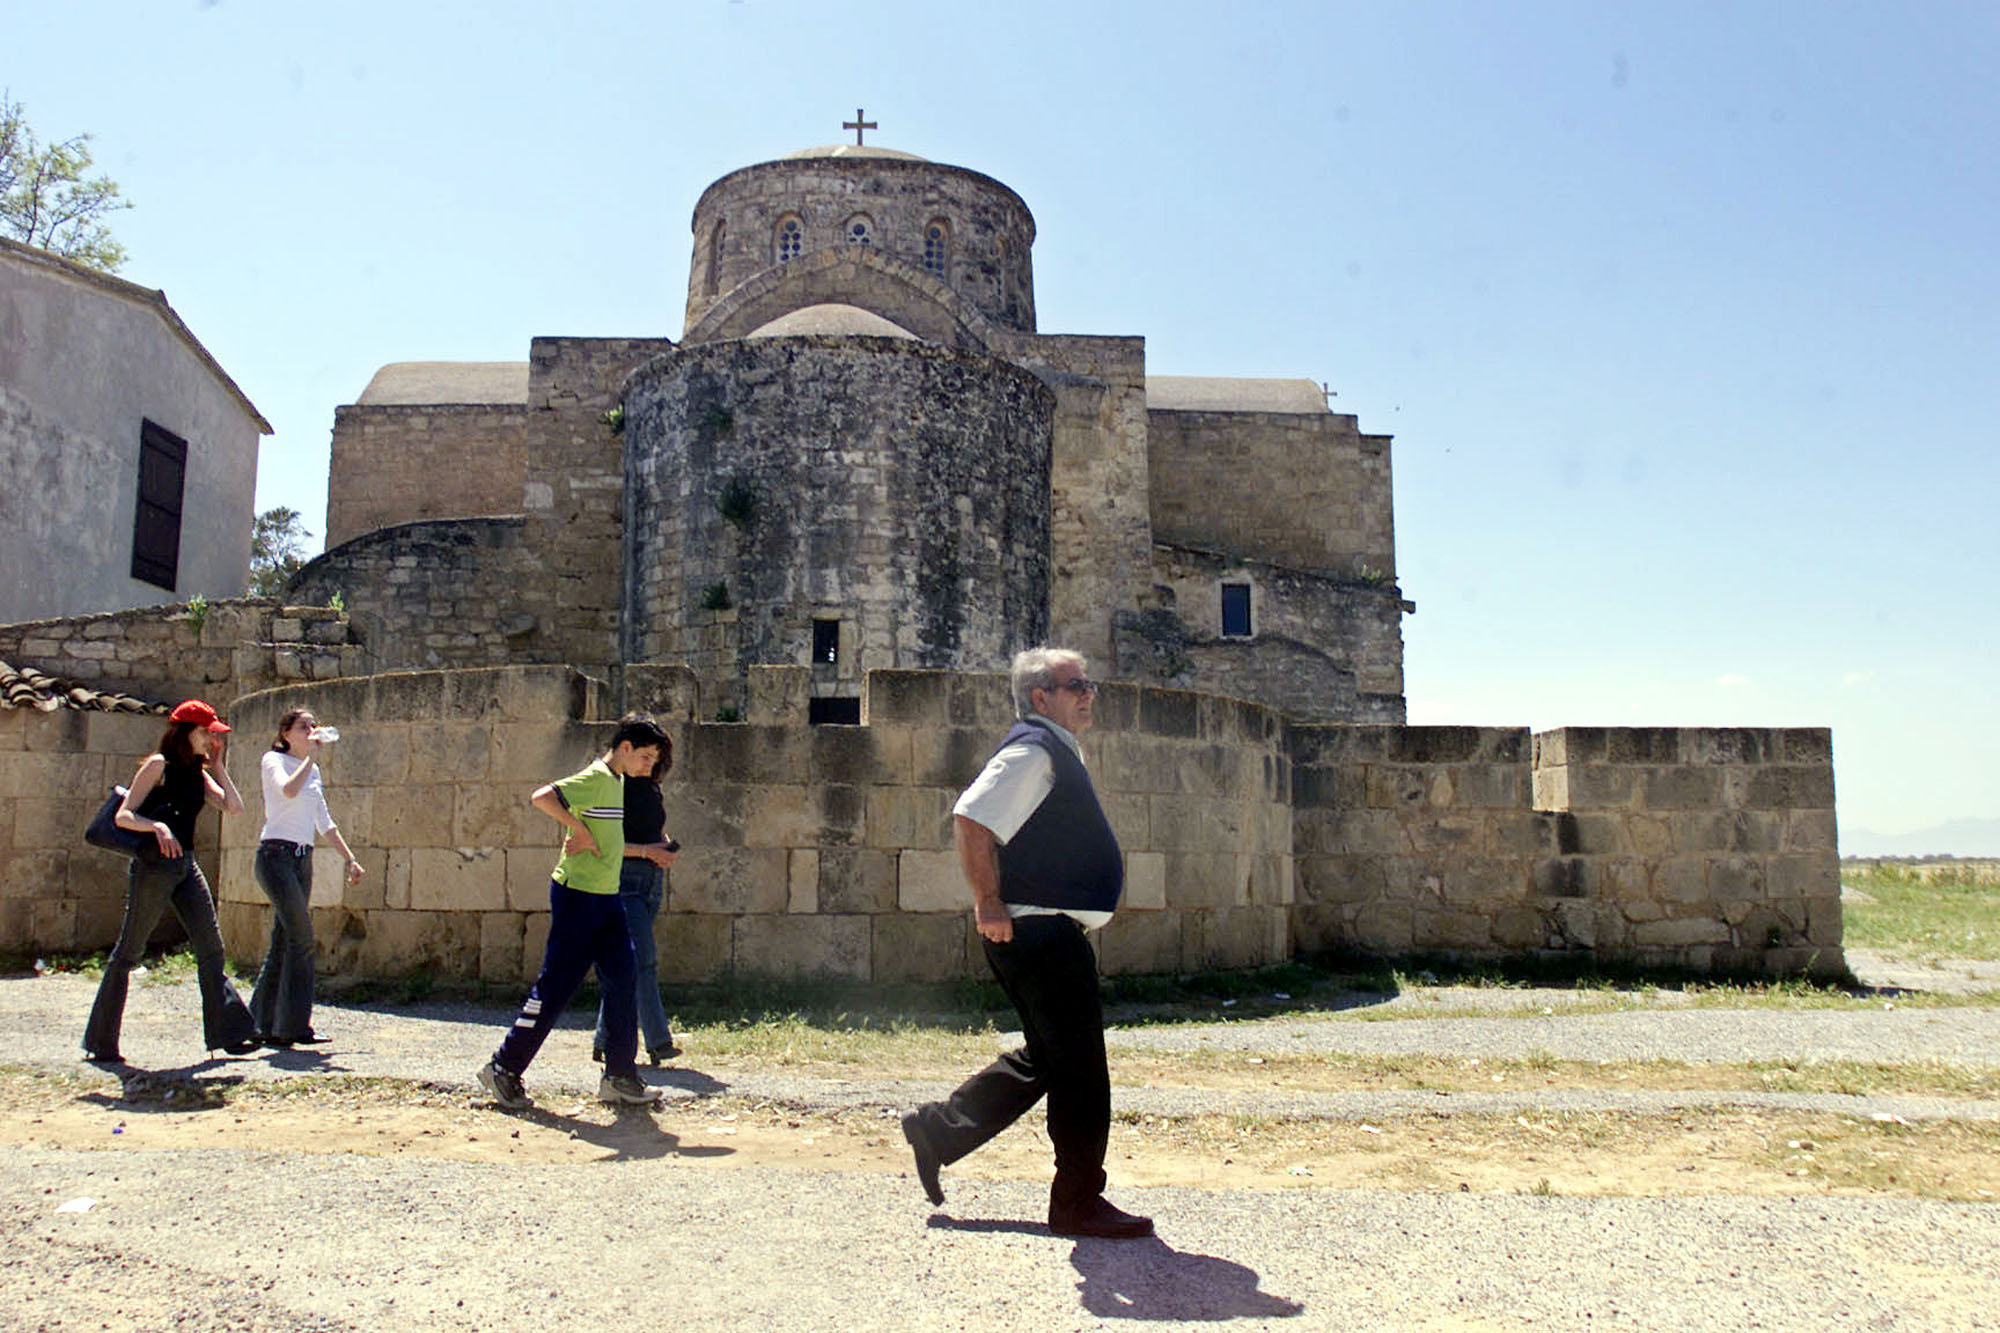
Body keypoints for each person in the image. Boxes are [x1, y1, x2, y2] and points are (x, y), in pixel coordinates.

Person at [900, 647, 1153, 1239]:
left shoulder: (1054, 753)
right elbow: (972, 819)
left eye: (1089, 684)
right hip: (1038, 930)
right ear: (1041, 698)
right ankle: (1077, 1201)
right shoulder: (1031, 752)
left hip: (1045, 929)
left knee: (1048, 1058)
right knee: (1082, 1069)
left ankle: (939, 1129)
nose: (1088, 693)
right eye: (1075, 685)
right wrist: (987, 900)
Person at [477, 714, 671, 1110]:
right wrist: (577, 831)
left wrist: (587, 834)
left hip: (606, 895)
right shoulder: (597, 777)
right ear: (625, 748)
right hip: (578, 896)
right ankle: (503, 1068)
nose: (649, 766)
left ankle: (619, 1075)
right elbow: (542, 797)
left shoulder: (618, 781)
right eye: (646, 757)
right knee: (556, 986)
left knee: (624, 977)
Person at [82, 700, 261, 1063]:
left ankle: (231, 1033)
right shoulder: (158, 766)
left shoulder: (198, 772)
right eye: (206, 732)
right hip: (155, 867)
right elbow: (124, 816)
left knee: (211, 948)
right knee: (129, 952)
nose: (212, 739)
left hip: (186, 866)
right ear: (187, 733)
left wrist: (221, 767)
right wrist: (157, 826)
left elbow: (235, 807)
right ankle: (101, 1042)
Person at [249, 709, 365, 1048]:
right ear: (285, 733)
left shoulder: (312, 772)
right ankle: (294, 1027)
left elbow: (324, 822)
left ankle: (261, 1022)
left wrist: (350, 859)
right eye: (304, 726)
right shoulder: (273, 760)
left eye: (314, 725)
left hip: (302, 858)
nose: (312, 730)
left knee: (284, 941)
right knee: (302, 939)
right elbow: (286, 791)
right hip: (275, 857)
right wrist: (311, 757)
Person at [592, 736, 681, 1066]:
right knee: (643, 961)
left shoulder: (651, 788)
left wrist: (664, 846)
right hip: (623, 882)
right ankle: (658, 1041)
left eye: (655, 758)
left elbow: (655, 827)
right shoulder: (611, 788)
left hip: (650, 883)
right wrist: (647, 852)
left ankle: (603, 1038)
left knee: (627, 964)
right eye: (645, 756)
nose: (649, 764)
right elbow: (604, 842)